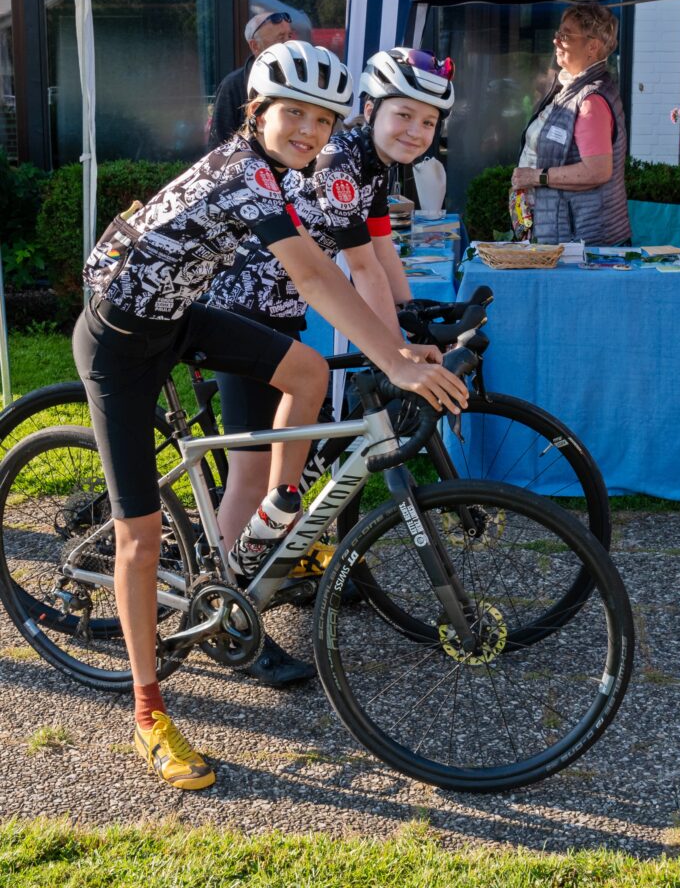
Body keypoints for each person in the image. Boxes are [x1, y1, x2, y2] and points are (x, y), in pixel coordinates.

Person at [72, 40, 468, 792]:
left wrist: (397, 346)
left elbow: (349, 263)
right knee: (141, 539)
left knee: (307, 369)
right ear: (257, 112)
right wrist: (393, 360)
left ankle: (277, 512)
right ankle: (149, 714)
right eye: (295, 115)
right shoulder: (242, 174)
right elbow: (315, 274)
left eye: (323, 120)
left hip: (178, 318)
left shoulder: (276, 172)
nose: (311, 133)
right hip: (118, 343)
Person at [207, 46, 455, 630]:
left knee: (295, 444)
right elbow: (358, 270)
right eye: (404, 115)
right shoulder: (339, 163)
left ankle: (293, 559)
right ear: (370, 109)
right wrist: (395, 356)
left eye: (429, 121)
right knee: (251, 474)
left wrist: (408, 315)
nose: (417, 131)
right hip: (237, 310)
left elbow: (381, 250)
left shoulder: (369, 162)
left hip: (278, 310)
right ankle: (225, 614)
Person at [510, 3, 629, 246]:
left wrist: (536, 177)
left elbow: (598, 171)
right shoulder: (569, 87)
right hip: (565, 235)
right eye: (557, 33)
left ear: (592, 47)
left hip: (583, 243)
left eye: (565, 35)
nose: (556, 41)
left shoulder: (590, 101)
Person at [207, 10, 293, 149]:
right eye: (281, 37)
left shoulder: (304, 78)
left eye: (290, 35)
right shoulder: (234, 85)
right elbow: (218, 145)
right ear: (255, 46)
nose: (289, 43)